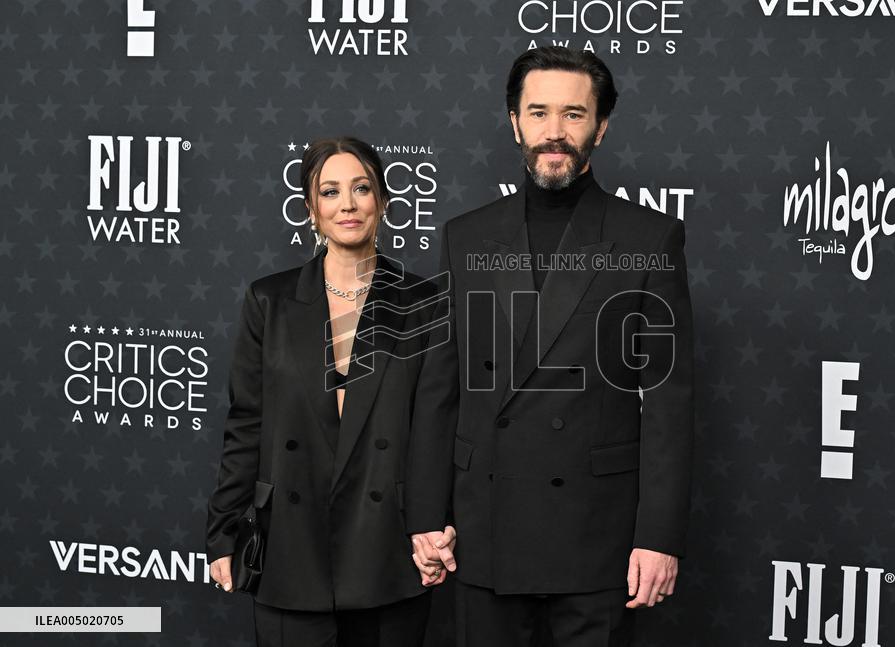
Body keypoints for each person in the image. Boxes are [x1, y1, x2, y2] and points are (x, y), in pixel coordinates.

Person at [406, 47, 696, 646]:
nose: (554, 131)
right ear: (515, 122)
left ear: (601, 126)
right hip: (485, 530)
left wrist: (659, 536)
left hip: (596, 538)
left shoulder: (649, 237)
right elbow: (440, 390)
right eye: (538, 112)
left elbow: (669, 404)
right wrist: (426, 517)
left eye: (574, 114)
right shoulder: (466, 236)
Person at [205, 137, 451, 647]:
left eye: (361, 188)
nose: (348, 205)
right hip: (289, 549)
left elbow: (435, 430)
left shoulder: (424, 303)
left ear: (383, 201)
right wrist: (224, 527)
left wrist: (431, 526)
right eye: (330, 191)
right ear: (310, 210)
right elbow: (247, 422)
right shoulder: (269, 301)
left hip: (386, 552)